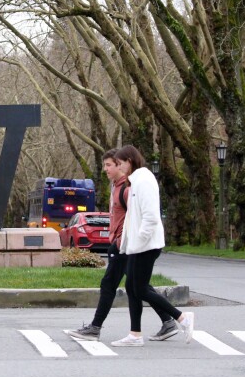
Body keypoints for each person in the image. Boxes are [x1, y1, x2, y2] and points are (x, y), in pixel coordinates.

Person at [66, 149, 179, 342]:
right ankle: (166, 321)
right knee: (137, 286)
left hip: (125, 245)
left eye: (109, 165)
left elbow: (140, 216)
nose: (106, 169)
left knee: (111, 284)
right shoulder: (117, 187)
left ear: (121, 165)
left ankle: (96, 328)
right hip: (122, 243)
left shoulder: (128, 189)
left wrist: (128, 241)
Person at [110, 145, 194, 347]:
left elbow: (150, 217)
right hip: (137, 245)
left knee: (140, 289)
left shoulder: (144, 180)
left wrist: (139, 240)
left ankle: (181, 317)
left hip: (146, 245)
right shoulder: (136, 181)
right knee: (132, 287)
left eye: (120, 163)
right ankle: (135, 334)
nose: (119, 168)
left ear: (130, 161)